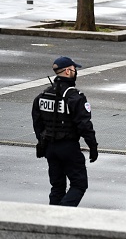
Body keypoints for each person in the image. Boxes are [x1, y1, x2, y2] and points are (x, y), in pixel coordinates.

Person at [32, 56, 98, 207]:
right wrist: (93, 147)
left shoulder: (42, 96)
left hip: (49, 147)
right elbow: (85, 125)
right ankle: (62, 215)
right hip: (68, 147)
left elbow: (37, 123)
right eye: (75, 70)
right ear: (68, 71)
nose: (76, 73)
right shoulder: (75, 97)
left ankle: (51, 220)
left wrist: (43, 141)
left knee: (57, 187)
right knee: (79, 184)